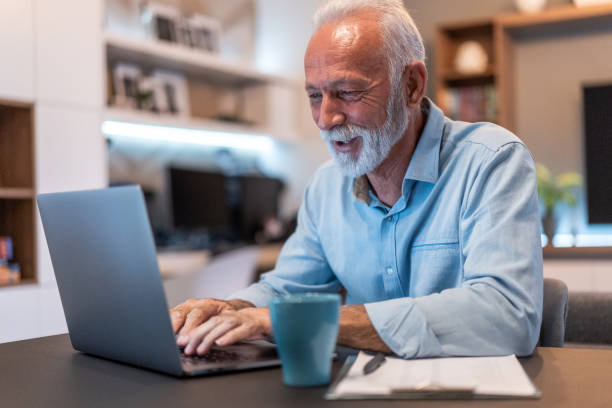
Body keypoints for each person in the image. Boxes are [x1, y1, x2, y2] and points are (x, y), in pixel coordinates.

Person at [171, 0, 543, 359]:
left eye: (348, 92)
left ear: (412, 85)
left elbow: (507, 315)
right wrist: (227, 309)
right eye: (316, 95)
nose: (326, 118)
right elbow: (287, 289)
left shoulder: (491, 161)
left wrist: (299, 320)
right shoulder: (325, 186)